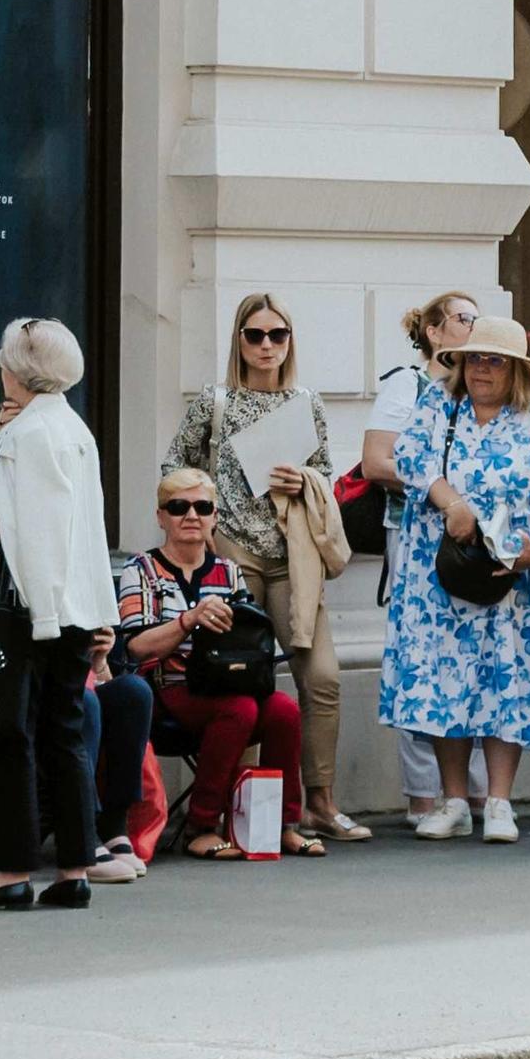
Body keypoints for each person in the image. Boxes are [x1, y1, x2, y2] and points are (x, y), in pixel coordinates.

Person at [0, 318, 120, 908]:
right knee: (65, 735)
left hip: (31, 607)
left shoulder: (28, 435)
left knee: (13, 737)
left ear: (19, 369)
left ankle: (12, 870)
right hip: (74, 603)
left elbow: (20, 529)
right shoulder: (72, 426)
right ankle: (74, 868)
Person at [165, 294, 363, 839]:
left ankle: (320, 800)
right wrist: (205, 512)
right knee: (244, 680)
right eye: (255, 335)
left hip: (293, 555)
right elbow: (173, 467)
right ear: (239, 341)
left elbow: (327, 476)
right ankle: (244, 806)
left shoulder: (307, 401)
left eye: (278, 335)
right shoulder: (217, 401)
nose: (268, 345)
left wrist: (304, 482)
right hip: (233, 554)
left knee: (320, 677)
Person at [384, 317, 530, 842]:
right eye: (473, 359)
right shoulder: (438, 406)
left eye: (492, 360)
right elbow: (407, 457)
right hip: (440, 570)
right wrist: (452, 503)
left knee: (503, 681)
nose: (481, 369)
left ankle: (498, 802)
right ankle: (452, 800)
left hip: (510, 578)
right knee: (447, 681)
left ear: (516, 369)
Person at [117, 467, 321, 859]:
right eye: (178, 507)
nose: (191, 516)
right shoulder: (140, 569)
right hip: (169, 687)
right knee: (238, 709)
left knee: (283, 709)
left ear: (214, 516)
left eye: (202, 506)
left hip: (228, 683)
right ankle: (202, 824)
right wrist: (188, 620)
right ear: (161, 516)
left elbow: (248, 634)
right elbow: (137, 647)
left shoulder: (228, 571)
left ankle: (282, 824)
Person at [363, 291, 490, 829]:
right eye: (464, 319)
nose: (473, 328)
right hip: (417, 539)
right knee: (423, 657)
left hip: (473, 538)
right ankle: (423, 794)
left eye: (478, 320)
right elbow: (376, 461)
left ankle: (474, 794)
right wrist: (441, 487)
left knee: (474, 659)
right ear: (434, 332)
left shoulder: (482, 389)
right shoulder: (407, 386)